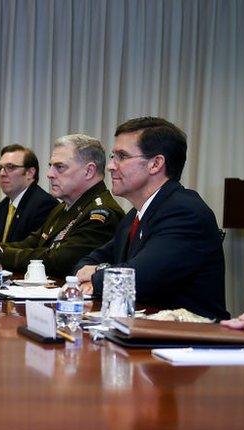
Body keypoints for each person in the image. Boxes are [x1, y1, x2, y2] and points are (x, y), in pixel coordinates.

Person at [74, 117, 228, 320]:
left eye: (122, 156)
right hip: (146, 333)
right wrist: (91, 274)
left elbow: (139, 277)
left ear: (155, 164)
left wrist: (97, 275)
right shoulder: (136, 214)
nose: (111, 166)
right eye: (113, 156)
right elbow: (86, 263)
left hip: (190, 341)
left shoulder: (185, 212)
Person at [0, 134, 124, 277]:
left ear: (89, 171)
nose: (49, 174)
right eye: (51, 166)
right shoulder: (63, 207)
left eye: (59, 167)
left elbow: (58, 261)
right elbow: (31, 243)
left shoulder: (101, 214)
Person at [0, 144, 57, 244]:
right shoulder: (3, 206)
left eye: (10, 167)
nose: (2, 173)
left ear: (30, 173)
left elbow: (32, 249)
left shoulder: (44, 205)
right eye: (0, 168)